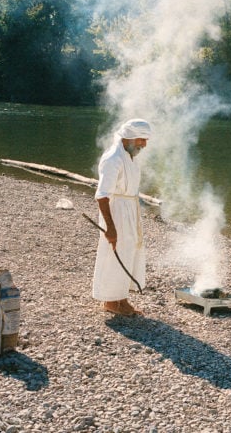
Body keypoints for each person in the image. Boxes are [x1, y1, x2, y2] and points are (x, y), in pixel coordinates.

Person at [92, 118, 151, 316]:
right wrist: (110, 227)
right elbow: (101, 196)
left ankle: (121, 298)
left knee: (128, 250)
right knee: (115, 252)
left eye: (145, 140)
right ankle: (111, 301)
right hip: (115, 209)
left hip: (129, 208)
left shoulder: (129, 155)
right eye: (142, 140)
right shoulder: (113, 158)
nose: (144, 144)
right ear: (129, 138)